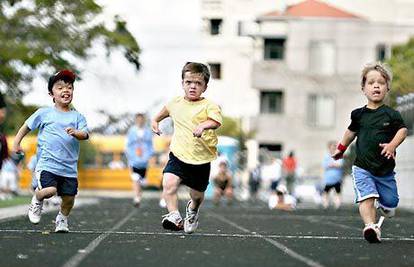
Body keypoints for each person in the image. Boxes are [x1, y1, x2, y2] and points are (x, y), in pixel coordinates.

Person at [332, 62, 407, 243]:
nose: (376, 86)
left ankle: (385, 206)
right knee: (367, 196)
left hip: (385, 170)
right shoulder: (358, 115)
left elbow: (403, 131)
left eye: (381, 83)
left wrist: (392, 145)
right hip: (362, 167)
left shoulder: (391, 114)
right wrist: (341, 149)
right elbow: (351, 132)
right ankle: (370, 226)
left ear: (387, 88)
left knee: (390, 203)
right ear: (363, 88)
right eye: (371, 83)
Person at [12, 69, 89, 233]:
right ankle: (37, 197)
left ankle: (62, 219)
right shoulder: (44, 113)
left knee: (69, 199)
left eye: (69, 87)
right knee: (50, 191)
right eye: (60, 87)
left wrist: (76, 133)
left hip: (69, 168)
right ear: (51, 93)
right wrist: (16, 143)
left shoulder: (78, 117)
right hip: (47, 165)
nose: (66, 90)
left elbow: (85, 134)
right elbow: (26, 127)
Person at [151, 62, 222, 233]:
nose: (193, 86)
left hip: (201, 158)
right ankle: (174, 215)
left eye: (198, 83)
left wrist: (203, 125)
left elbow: (216, 122)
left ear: (205, 87)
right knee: (168, 183)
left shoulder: (209, 105)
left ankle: (193, 210)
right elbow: (161, 114)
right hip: (178, 154)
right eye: (189, 82)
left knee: (196, 196)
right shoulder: (175, 103)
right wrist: (155, 122)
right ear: (182, 83)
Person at [125, 113, 154, 207]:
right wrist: (130, 155)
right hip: (134, 160)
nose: (140, 121)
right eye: (138, 119)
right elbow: (127, 145)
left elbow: (151, 145)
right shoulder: (131, 131)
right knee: (135, 178)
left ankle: (139, 193)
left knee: (142, 181)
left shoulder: (148, 131)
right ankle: (137, 198)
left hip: (144, 161)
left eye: (141, 119)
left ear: (144, 120)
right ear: (136, 120)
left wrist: (149, 156)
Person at [322, 141, 344, 209]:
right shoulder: (326, 156)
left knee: (338, 192)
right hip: (328, 179)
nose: (334, 148)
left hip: (337, 178)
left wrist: (332, 165)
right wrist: (333, 165)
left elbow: (340, 164)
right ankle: (325, 205)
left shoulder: (339, 155)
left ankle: (337, 205)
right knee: (326, 192)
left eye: (335, 146)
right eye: (332, 146)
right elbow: (325, 165)